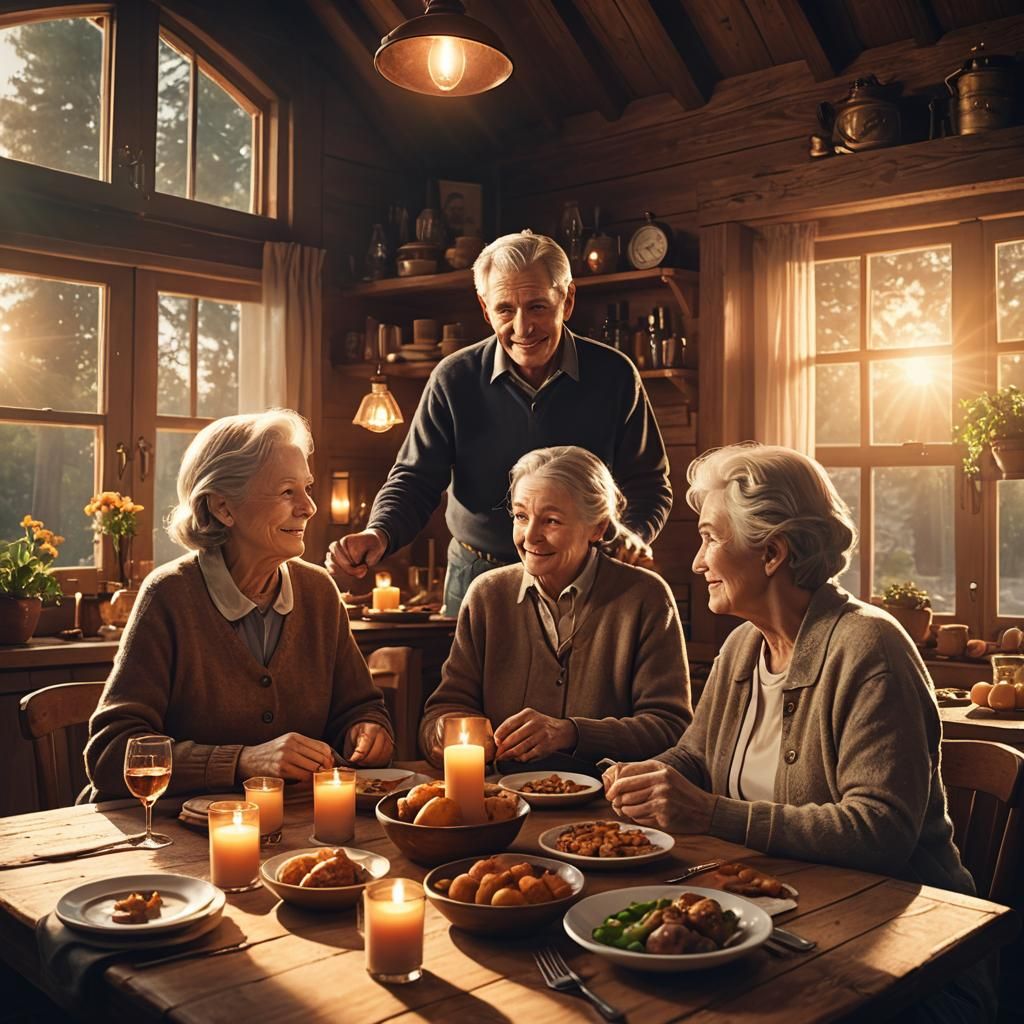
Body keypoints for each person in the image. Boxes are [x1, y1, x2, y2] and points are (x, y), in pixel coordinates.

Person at [603, 445, 996, 1020]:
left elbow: (879, 830)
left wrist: (710, 813)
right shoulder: (743, 645)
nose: (696, 561)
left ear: (772, 553)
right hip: (786, 925)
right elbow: (695, 756)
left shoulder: (869, 646)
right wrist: (651, 777)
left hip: (909, 960)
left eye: (711, 537)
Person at [326, 230, 672, 618]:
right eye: (505, 309)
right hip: (477, 573)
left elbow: (649, 485)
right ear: (485, 308)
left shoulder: (615, 375)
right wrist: (379, 533)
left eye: (538, 307)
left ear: (567, 300)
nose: (522, 328)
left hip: (589, 577)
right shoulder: (453, 379)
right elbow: (415, 480)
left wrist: (630, 537)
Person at [84, 410, 394, 802]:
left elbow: (360, 708)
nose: (309, 507)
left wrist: (366, 730)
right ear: (223, 508)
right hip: (170, 838)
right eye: (287, 492)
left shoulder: (318, 591)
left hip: (291, 830)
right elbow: (112, 755)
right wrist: (242, 761)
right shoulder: (169, 596)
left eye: (307, 488)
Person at [419, 446, 691, 767]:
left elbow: (671, 728)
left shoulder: (645, 596)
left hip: (607, 809)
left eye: (551, 521)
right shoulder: (487, 595)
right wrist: (443, 731)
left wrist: (571, 733)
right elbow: (444, 709)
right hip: (502, 803)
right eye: (521, 516)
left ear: (598, 528)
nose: (530, 536)